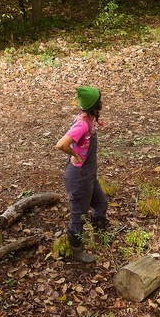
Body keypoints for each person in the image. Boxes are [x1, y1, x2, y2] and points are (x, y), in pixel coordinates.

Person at [55, 86, 108, 264]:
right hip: (79, 177)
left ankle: (99, 235)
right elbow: (61, 144)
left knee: (101, 203)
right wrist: (75, 155)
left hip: (88, 174)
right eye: (99, 100)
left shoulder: (89, 120)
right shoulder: (82, 124)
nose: (102, 102)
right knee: (78, 216)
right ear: (95, 105)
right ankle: (77, 251)